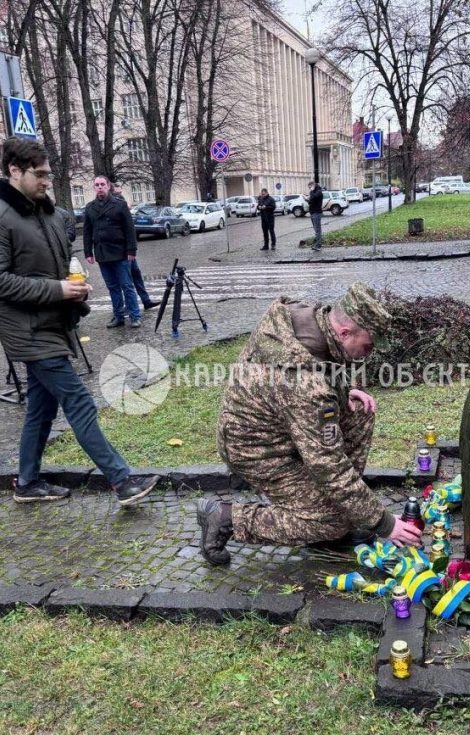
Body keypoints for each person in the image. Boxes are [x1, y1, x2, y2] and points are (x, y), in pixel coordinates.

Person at [0, 137, 159, 505]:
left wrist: (75, 286)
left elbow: (58, 263)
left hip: (54, 323)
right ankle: (122, 481)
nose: (46, 181)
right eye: (39, 174)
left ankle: (27, 482)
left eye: (48, 174)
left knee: (42, 407)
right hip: (27, 330)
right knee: (79, 401)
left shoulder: (44, 212)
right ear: (14, 171)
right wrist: (57, 290)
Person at [197, 282, 423, 565]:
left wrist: (342, 391)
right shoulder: (307, 388)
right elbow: (328, 467)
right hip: (256, 449)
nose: (371, 352)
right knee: (331, 521)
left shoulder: (312, 321)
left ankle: (344, 507)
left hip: (280, 425)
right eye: (368, 345)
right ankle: (227, 517)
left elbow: (323, 369)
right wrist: (385, 524)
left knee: (360, 413)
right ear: (344, 332)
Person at [83, 175, 142, 328]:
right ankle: (119, 316)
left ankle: (135, 316)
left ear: (108, 186)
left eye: (103, 184)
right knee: (112, 287)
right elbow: (87, 231)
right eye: (97, 185)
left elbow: (129, 229)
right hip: (102, 254)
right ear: (94, 188)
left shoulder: (119, 205)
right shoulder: (90, 207)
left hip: (120, 252)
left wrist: (132, 250)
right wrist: (88, 252)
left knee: (127, 285)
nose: (100, 187)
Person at [307, 181, 324, 251]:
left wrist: (311, 191)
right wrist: (307, 200)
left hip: (317, 213)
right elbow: (311, 201)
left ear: (313, 185)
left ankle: (318, 245)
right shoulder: (314, 192)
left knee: (317, 230)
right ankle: (317, 244)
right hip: (313, 212)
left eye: (310, 187)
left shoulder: (319, 191)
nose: (309, 189)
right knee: (316, 230)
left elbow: (314, 197)